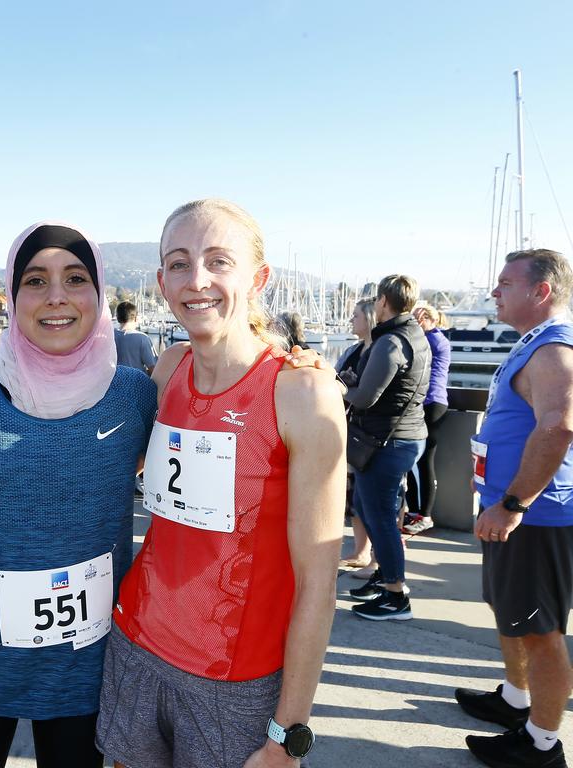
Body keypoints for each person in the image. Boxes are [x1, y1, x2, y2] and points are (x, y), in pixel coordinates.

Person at [95, 199, 345, 768]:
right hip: (136, 644)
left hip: (233, 680)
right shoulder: (168, 370)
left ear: (258, 278)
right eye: (179, 264)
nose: (197, 280)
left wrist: (289, 735)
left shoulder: (302, 395)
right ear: (161, 281)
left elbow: (319, 587)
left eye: (218, 261)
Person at [0, 221, 157, 767]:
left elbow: (219, 410)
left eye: (75, 278)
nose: (57, 297)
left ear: (99, 292)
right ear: (13, 296)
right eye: (36, 280)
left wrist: (280, 365)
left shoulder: (133, 395)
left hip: (89, 672)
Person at [456, 249, 573, 768]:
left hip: (534, 516)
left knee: (541, 631)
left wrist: (512, 503)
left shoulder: (555, 351)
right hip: (509, 511)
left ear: (541, 291)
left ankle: (543, 746)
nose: (495, 291)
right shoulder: (531, 344)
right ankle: (515, 701)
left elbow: (559, 426)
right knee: (512, 615)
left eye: (506, 282)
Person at [344, 275, 430, 621]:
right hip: (404, 437)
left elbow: (365, 397)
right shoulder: (414, 334)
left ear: (382, 301)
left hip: (387, 442)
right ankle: (385, 578)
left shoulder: (391, 342)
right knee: (368, 507)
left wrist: (340, 390)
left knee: (379, 517)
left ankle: (396, 596)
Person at [402, 303, 451, 535]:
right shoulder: (431, 339)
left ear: (424, 319)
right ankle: (415, 511)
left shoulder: (435, 340)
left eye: (415, 318)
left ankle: (425, 514)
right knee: (414, 459)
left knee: (424, 460)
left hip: (433, 403)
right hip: (425, 403)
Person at [337, 298, 377, 572]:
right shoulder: (355, 350)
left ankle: (377, 560)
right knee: (356, 499)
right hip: (351, 434)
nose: (351, 320)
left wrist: (344, 389)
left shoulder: (378, 352)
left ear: (370, 319)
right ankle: (360, 551)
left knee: (376, 502)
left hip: (371, 438)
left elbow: (366, 395)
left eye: (356, 316)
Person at [113, 300, 158, 375]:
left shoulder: (110, 336)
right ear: (136, 318)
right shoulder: (142, 338)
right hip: (137, 384)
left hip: (114, 383)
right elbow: (153, 368)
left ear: (117, 317)